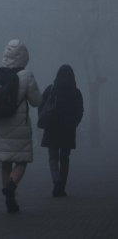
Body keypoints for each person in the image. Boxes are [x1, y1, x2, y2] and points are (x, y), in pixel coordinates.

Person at [0, 39, 41, 213]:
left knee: (5, 162)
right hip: (19, 127)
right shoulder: (26, 75)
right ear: (24, 56)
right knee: (22, 161)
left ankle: (9, 197)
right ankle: (11, 187)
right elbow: (36, 101)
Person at [39, 64, 84, 197]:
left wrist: (45, 119)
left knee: (53, 158)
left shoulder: (51, 89)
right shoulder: (76, 92)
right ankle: (62, 187)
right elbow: (80, 111)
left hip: (52, 129)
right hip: (68, 130)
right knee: (65, 159)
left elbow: (41, 106)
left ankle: (56, 181)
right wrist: (74, 123)